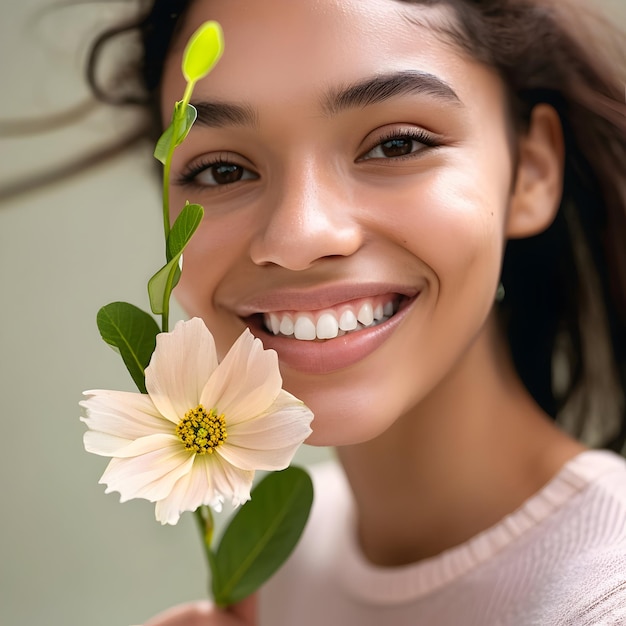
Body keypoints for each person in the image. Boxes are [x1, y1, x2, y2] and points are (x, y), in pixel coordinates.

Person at [84, 0, 626, 624]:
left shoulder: (600, 599)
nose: (299, 235)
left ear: (531, 171)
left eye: (396, 145)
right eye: (221, 169)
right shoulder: (282, 555)